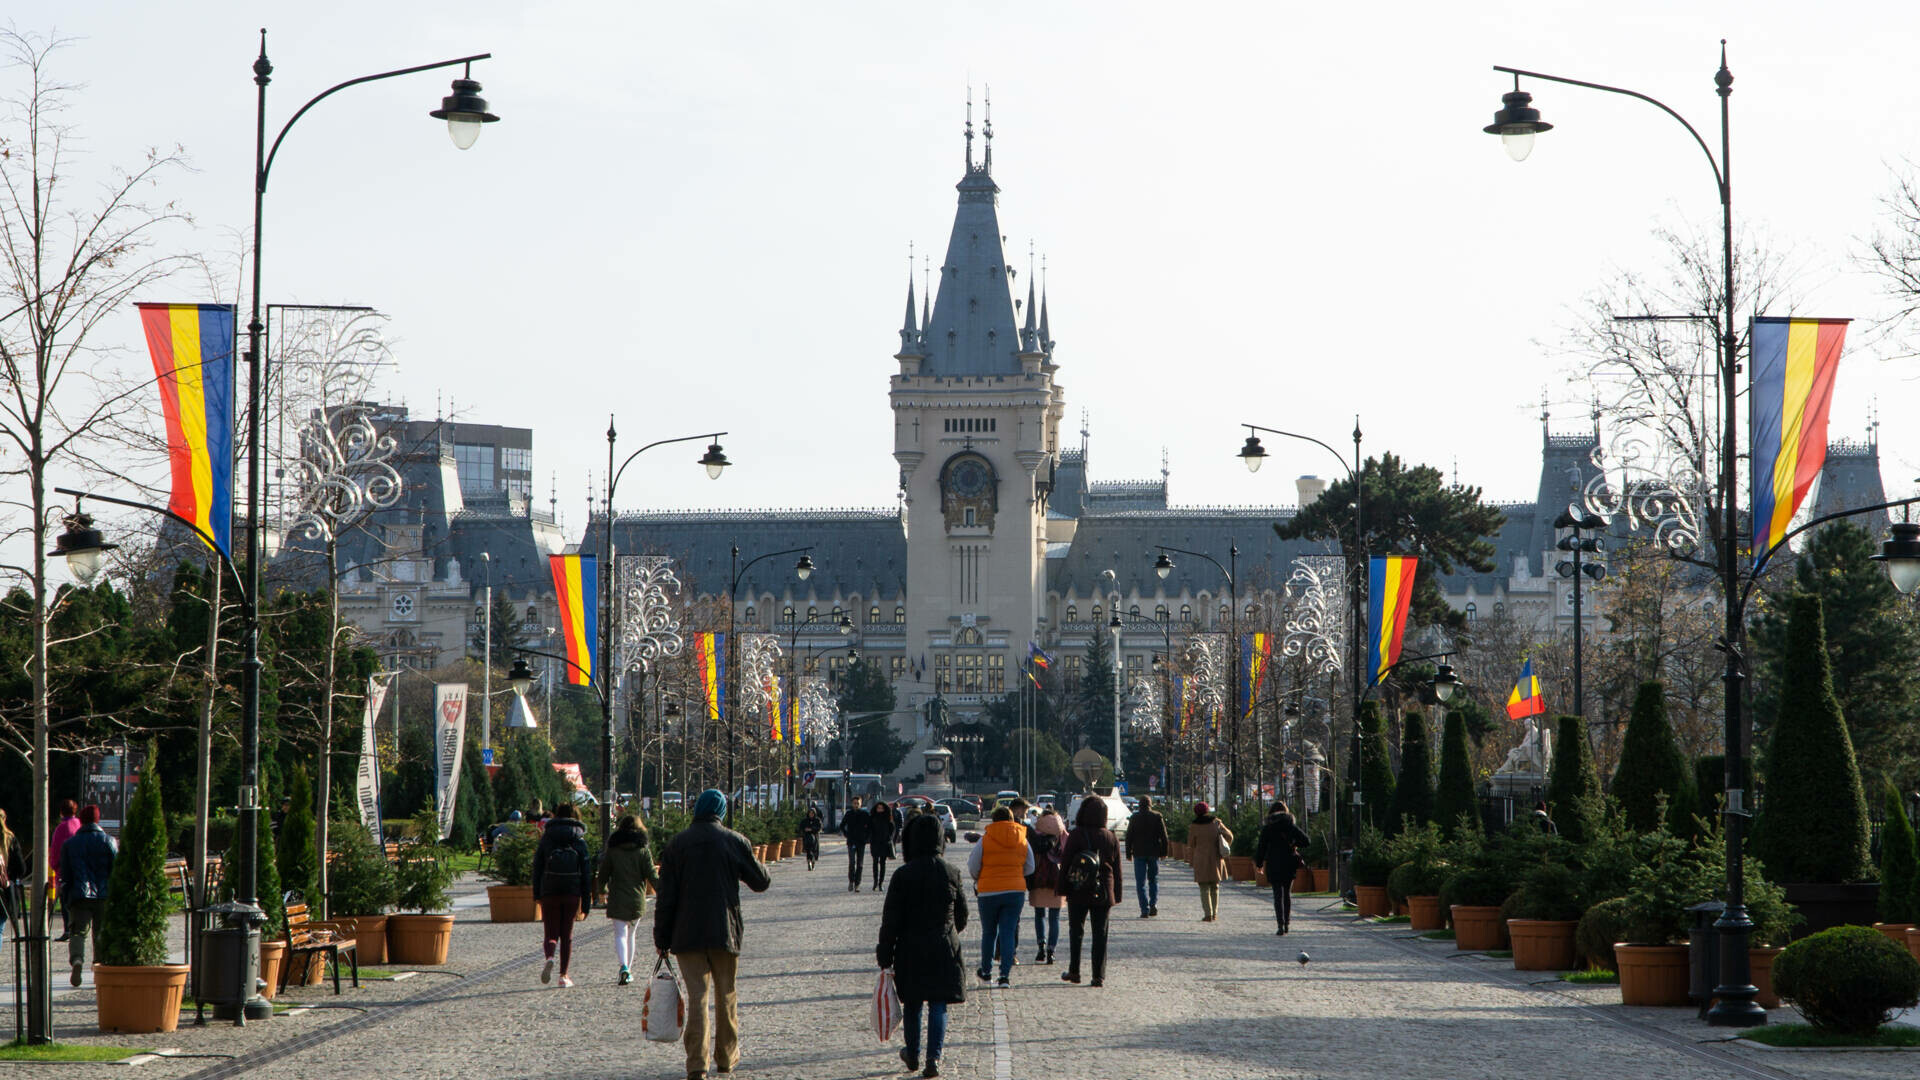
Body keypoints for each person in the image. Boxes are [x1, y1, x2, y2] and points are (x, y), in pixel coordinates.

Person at [654, 789, 771, 1080]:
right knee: (726, 994)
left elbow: (665, 897)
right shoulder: (733, 841)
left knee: (697, 998)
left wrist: (662, 939)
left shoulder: (677, 844)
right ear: (721, 811)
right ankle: (726, 1058)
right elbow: (761, 881)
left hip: (686, 933)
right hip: (724, 932)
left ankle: (697, 1064)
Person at [877, 813, 967, 1079]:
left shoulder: (903, 875)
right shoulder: (951, 872)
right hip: (943, 944)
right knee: (939, 1003)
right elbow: (962, 915)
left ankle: (913, 1053)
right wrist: (949, 932)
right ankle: (934, 1058)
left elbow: (891, 919)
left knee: (914, 1003)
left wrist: (885, 953)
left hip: (910, 946)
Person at [1059, 795, 1122, 986]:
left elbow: (1066, 862)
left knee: (1076, 931)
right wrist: (1116, 894)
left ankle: (1075, 971)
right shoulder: (1111, 836)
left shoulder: (1077, 834)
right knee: (1100, 933)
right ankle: (1098, 975)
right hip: (1103, 890)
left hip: (1078, 888)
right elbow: (1117, 869)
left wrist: (1063, 888)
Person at [966, 806, 1032, 988]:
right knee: (1008, 932)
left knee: (989, 932)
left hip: (988, 891)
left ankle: (986, 971)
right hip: (1014, 891)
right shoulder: (1022, 838)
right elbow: (1031, 866)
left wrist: (980, 877)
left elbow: (972, 865)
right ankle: (1004, 976)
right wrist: (1017, 874)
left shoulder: (985, 839)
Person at [531, 802, 591, 987]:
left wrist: (537, 894)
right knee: (567, 934)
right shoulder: (579, 840)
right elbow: (586, 872)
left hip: (549, 889)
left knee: (550, 932)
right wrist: (586, 901)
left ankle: (550, 956)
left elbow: (537, 867)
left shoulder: (547, 838)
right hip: (571, 891)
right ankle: (563, 976)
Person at [595, 812, 657, 985]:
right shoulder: (643, 851)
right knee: (632, 934)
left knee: (620, 934)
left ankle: (624, 967)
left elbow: (603, 874)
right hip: (637, 898)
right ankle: (628, 970)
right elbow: (652, 874)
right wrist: (664, 891)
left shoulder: (613, 851)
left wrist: (602, 891)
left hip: (617, 898)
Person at [57, 805, 115, 986]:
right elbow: (116, 869)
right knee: (102, 932)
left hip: (79, 895)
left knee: (77, 932)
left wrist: (67, 896)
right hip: (104, 895)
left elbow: (65, 874)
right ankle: (100, 966)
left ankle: (77, 959)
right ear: (98, 820)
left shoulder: (70, 844)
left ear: (81, 820)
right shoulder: (109, 841)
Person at [1252, 801, 1311, 935]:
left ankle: (1280, 924)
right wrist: (1293, 843)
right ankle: (1287, 923)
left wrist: (1259, 864)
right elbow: (1306, 841)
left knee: (1277, 895)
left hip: (1273, 863)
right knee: (1287, 894)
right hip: (1289, 862)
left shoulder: (1268, 827)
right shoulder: (1290, 826)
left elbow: (1261, 847)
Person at [1025, 808, 1065, 964]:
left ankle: (1041, 947)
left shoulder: (1035, 836)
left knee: (1039, 914)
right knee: (1054, 918)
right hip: (1057, 880)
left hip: (1038, 879)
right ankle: (1051, 950)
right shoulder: (1063, 836)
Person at [1187, 801, 1234, 922]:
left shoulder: (1194, 826)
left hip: (1201, 859)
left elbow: (1191, 844)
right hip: (1216, 858)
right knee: (1215, 886)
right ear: (1207, 810)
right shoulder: (1216, 822)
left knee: (1204, 887)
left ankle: (1208, 914)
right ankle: (1215, 913)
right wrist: (1222, 844)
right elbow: (1230, 836)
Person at [1126, 794, 1169, 919]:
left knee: (1140, 882)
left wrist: (1129, 853)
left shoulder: (1134, 817)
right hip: (1153, 853)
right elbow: (1164, 837)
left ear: (1139, 805)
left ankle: (1144, 909)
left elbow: (1129, 837)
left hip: (1139, 853)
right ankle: (1153, 904)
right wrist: (1164, 852)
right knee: (1153, 880)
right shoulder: (1157, 817)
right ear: (1150, 804)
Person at [47, 799, 79, 941]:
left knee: (65, 901)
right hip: (79, 870)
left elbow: (55, 851)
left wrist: (54, 866)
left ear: (61, 812)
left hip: (64, 871)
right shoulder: (79, 824)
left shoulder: (61, 828)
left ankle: (68, 929)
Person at [842, 795, 871, 893]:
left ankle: (857, 884)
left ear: (861, 804)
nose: (856, 805)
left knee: (860, 864)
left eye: (858, 803)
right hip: (851, 841)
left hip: (861, 842)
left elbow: (870, 827)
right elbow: (842, 825)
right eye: (854, 803)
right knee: (852, 863)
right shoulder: (849, 814)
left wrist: (866, 838)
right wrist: (847, 835)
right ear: (852, 804)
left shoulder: (865, 814)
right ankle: (851, 881)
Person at [868, 800, 897, 892]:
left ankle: (881, 883)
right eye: (878, 808)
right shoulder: (872, 818)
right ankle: (875, 882)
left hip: (884, 843)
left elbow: (892, 829)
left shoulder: (888, 818)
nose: (879, 810)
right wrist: (870, 838)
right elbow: (869, 829)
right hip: (875, 843)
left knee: (883, 863)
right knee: (875, 862)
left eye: (881, 808)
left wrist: (889, 838)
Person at [800, 805, 822, 870]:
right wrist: (805, 830)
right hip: (807, 837)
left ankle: (813, 862)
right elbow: (801, 827)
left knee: (814, 851)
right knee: (808, 851)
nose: (811, 814)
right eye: (810, 813)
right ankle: (809, 861)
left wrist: (812, 829)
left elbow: (819, 828)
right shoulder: (805, 820)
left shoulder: (817, 820)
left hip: (815, 837)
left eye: (812, 813)